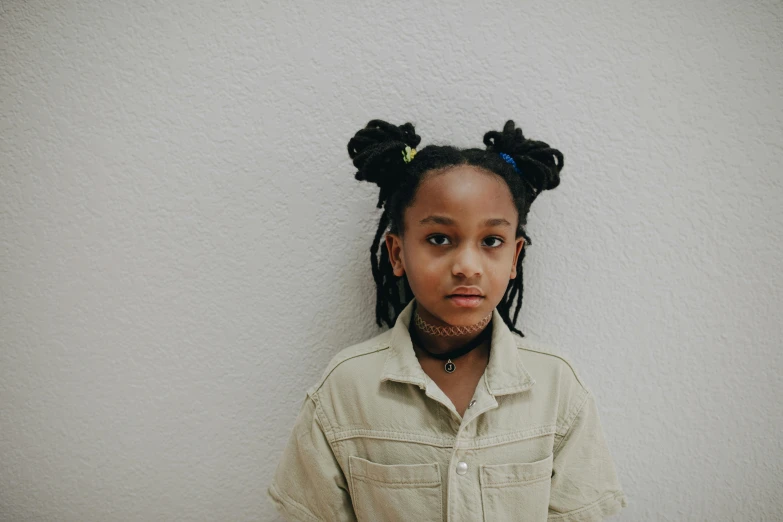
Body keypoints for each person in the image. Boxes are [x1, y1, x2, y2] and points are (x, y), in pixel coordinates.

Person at [267, 119, 628, 521]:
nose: (467, 266)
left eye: (491, 241)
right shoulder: (344, 389)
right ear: (398, 253)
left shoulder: (558, 387)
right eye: (439, 239)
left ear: (515, 255)